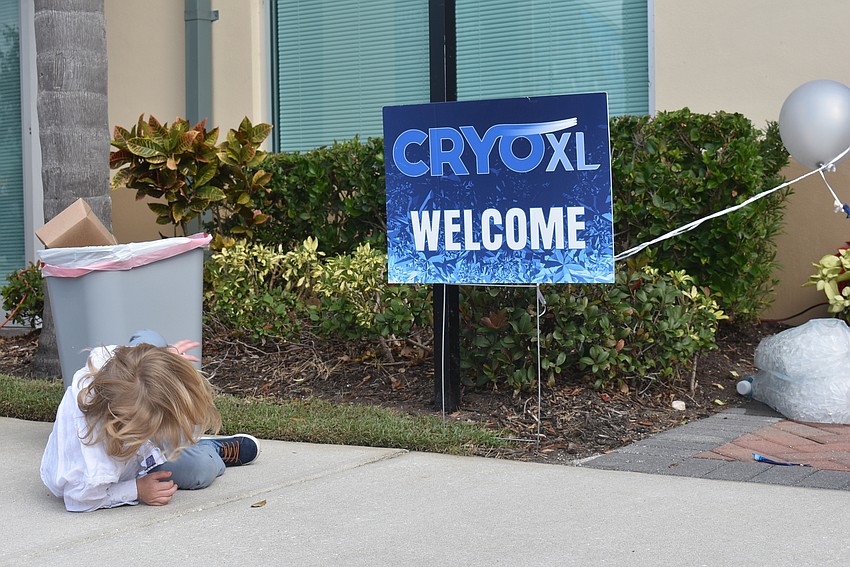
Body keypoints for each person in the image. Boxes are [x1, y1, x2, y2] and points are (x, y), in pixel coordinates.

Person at [40, 330, 260, 512]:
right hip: (125, 463)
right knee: (200, 469)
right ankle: (210, 449)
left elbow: (138, 362)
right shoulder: (96, 471)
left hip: (131, 427)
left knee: (149, 339)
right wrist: (137, 489)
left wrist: (164, 358)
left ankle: (181, 441)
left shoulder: (107, 363)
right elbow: (78, 499)